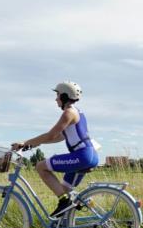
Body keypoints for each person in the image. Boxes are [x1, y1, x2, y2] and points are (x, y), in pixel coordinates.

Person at [12, 81, 100, 217]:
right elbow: (59, 137)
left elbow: (50, 135)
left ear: (65, 96)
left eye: (58, 95)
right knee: (63, 190)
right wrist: (35, 144)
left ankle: (64, 202)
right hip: (90, 154)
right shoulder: (78, 112)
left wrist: (24, 142)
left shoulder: (68, 113)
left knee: (41, 167)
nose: (56, 98)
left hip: (81, 156)